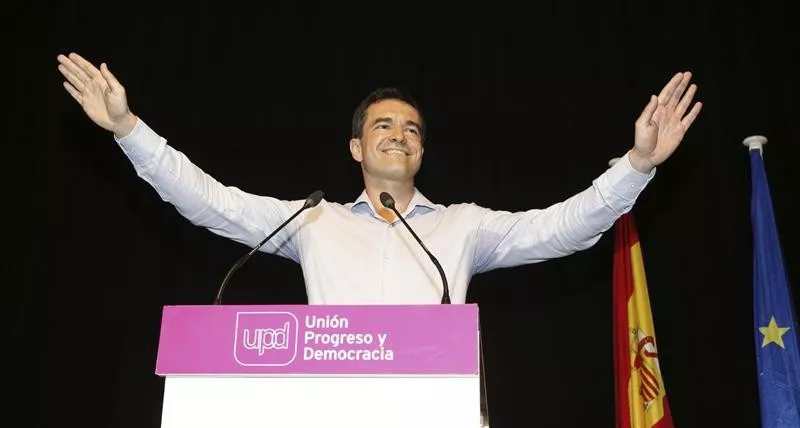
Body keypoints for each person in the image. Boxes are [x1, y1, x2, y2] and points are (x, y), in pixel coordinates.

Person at [56, 52, 702, 305]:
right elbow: (208, 201)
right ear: (357, 148)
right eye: (385, 126)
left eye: (413, 129)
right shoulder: (312, 221)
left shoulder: (463, 225)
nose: (400, 135)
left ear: (422, 152)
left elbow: (566, 227)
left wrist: (638, 165)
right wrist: (128, 128)